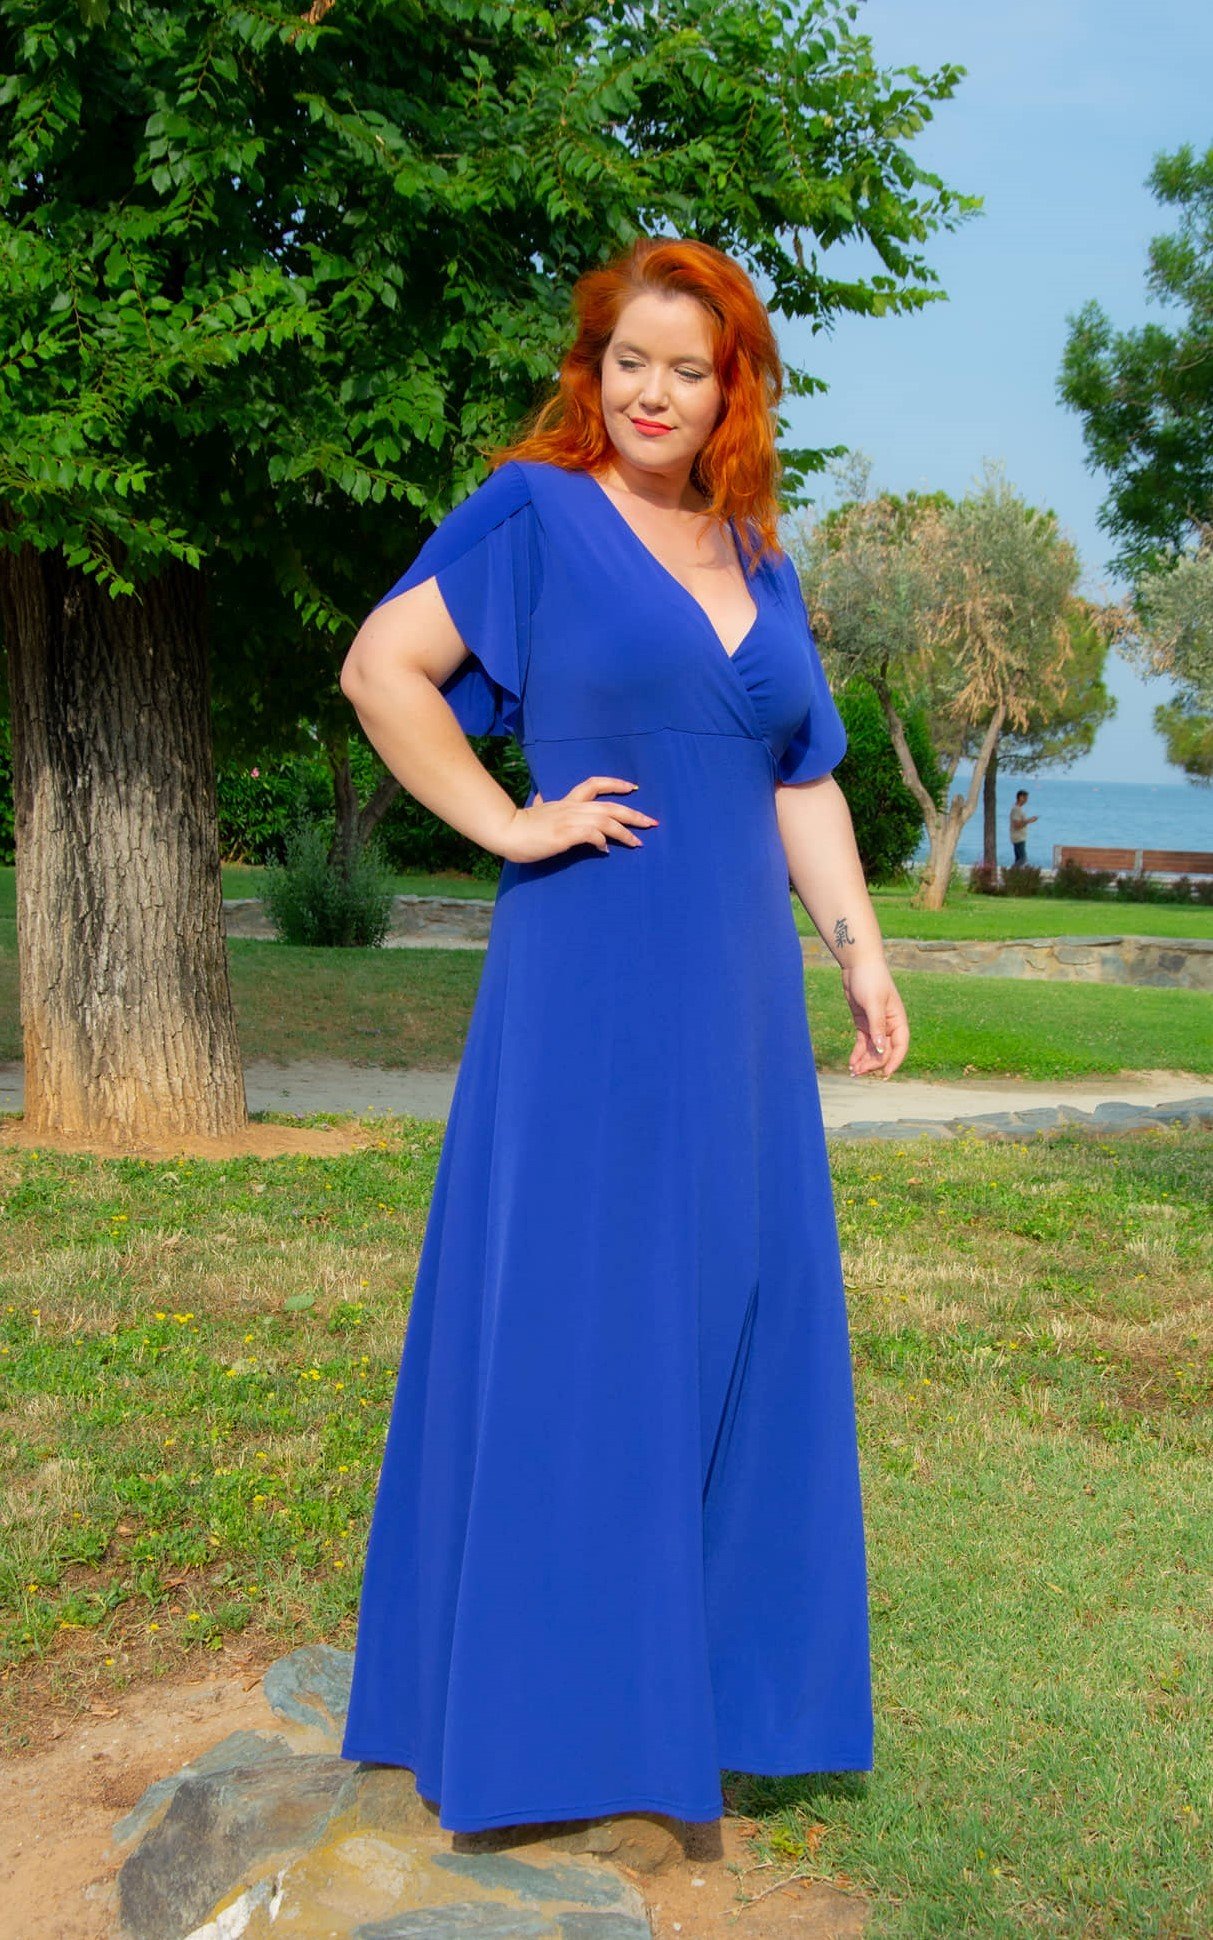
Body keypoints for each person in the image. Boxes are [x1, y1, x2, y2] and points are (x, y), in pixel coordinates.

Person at [337, 236, 909, 1835]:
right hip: (585, 987)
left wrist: (859, 956)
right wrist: (507, 821)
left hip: (738, 1013)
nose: (653, 392)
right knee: (580, 1327)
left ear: (735, 389)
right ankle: (544, 1725)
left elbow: (802, 774)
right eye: (628, 360)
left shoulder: (760, 561)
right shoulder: (535, 514)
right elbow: (382, 668)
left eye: (688, 368)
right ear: (593, 371)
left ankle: (702, 1707)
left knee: (729, 1314)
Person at [1009, 789, 1037, 865]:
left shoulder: (1017, 809)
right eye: (1026, 798)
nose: (1026, 800)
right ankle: (1012, 871)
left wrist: (1029, 820)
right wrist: (1028, 821)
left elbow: (1019, 823)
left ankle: (1014, 872)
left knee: (1018, 858)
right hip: (1018, 838)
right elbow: (1016, 825)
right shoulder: (1016, 809)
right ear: (1021, 797)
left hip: (1018, 837)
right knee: (1023, 859)